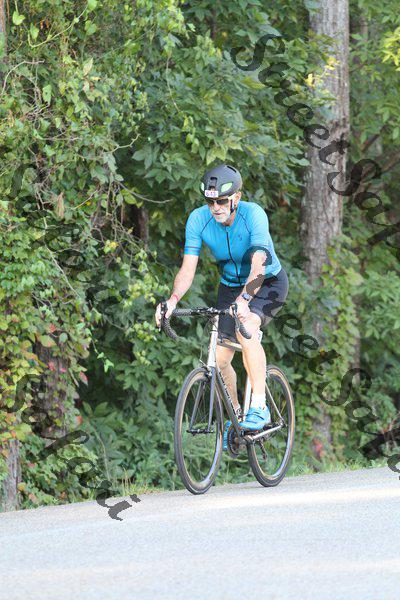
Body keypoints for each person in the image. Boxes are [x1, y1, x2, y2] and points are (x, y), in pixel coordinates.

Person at [155, 164, 288, 445]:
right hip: (229, 287)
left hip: (267, 282)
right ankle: (237, 416)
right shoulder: (198, 220)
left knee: (246, 328)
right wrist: (172, 300)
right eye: (210, 201)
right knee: (219, 359)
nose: (215, 208)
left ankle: (260, 405)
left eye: (222, 201)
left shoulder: (254, 215)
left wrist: (245, 301)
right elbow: (187, 269)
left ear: (236, 197)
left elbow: (259, 266)